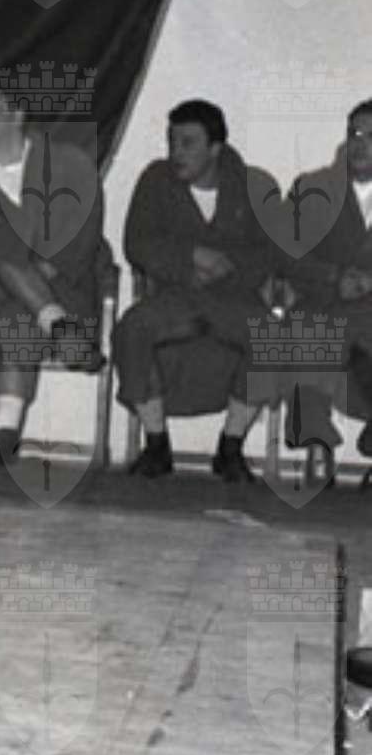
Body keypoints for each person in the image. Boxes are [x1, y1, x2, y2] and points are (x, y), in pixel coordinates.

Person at [0, 82, 106, 465]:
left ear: (18, 115)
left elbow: (87, 226)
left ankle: (3, 435)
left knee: (18, 317)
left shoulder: (68, 164)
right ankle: (59, 328)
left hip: (66, 287)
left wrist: (45, 267)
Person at [115, 99, 275, 482]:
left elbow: (270, 252)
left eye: (188, 143)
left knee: (272, 337)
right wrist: (190, 258)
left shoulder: (253, 186)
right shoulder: (155, 179)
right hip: (175, 295)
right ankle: (156, 445)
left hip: (234, 298)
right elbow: (137, 243)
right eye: (172, 142)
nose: (176, 153)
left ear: (215, 148)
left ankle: (230, 448)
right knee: (131, 328)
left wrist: (225, 266)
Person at [278, 96, 372, 474]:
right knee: (307, 333)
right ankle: (317, 444)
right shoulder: (312, 187)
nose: (361, 144)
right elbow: (284, 253)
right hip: (324, 301)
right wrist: (334, 278)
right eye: (355, 134)